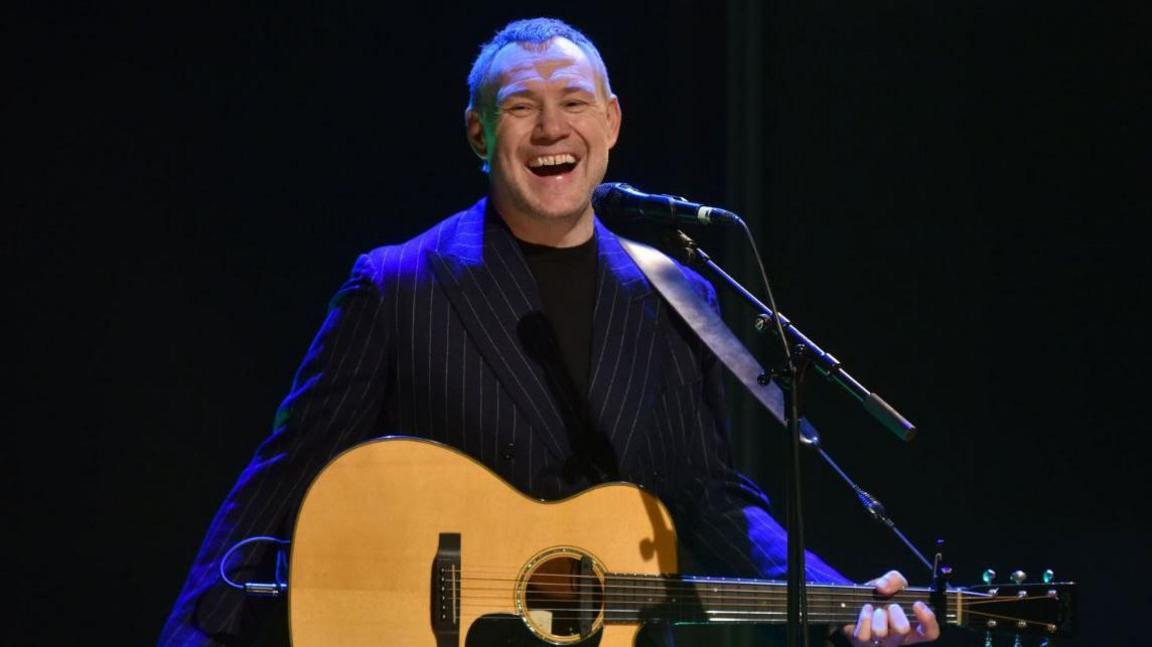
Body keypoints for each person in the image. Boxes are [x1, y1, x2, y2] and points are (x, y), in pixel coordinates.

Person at [159, 17, 940, 647]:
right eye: (522, 106)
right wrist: (195, 633)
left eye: (573, 101)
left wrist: (836, 594)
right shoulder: (397, 283)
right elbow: (283, 475)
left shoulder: (677, 296)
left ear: (611, 122)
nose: (550, 128)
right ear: (478, 132)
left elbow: (710, 498)